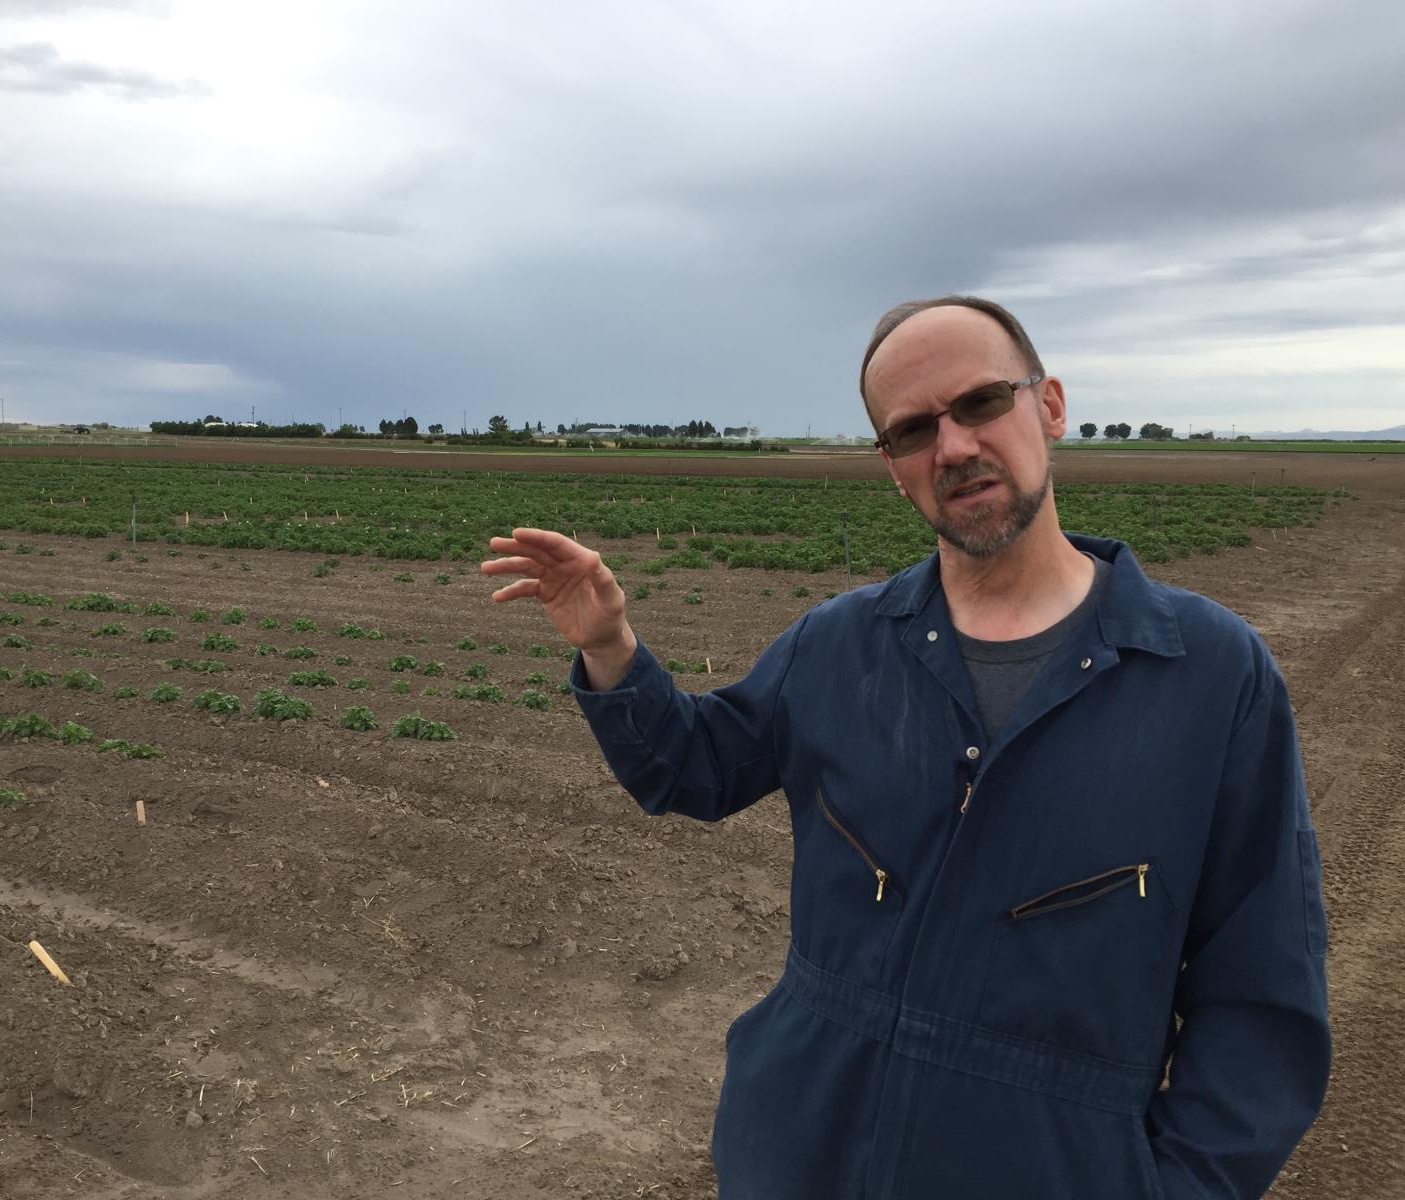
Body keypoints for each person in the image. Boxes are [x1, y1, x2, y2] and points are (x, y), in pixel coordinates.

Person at [481, 296, 1330, 1199]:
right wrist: (609, 647)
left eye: (979, 404)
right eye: (913, 429)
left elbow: (1260, 1000)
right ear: (892, 467)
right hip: (800, 1156)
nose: (953, 446)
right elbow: (692, 766)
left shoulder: (1206, 675)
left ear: (1048, 406)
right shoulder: (842, 644)